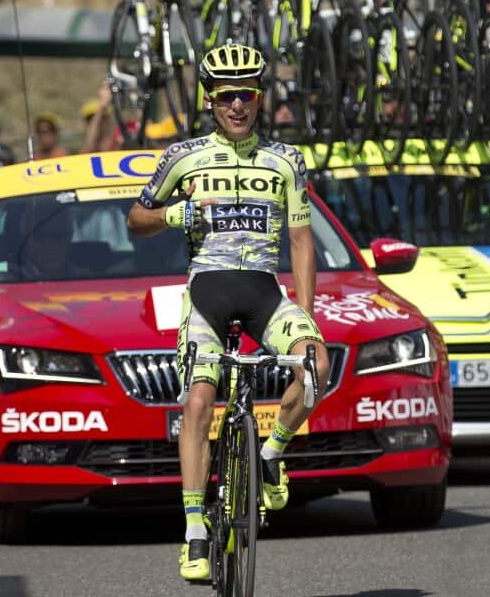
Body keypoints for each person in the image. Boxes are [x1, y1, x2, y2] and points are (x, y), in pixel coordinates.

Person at [126, 44, 329, 582]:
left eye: (247, 95)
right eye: (225, 96)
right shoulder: (182, 156)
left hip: (265, 292)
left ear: (259, 97)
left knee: (316, 367)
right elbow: (136, 219)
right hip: (206, 295)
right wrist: (178, 211)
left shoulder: (286, 160)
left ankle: (269, 454)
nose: (237, 105)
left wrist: (305, 316)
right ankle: (195, 531)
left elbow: (302, 241)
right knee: (198, 401)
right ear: (209, 100)